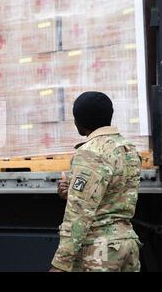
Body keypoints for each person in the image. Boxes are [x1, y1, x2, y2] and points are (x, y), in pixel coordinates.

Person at [50, 91, 142, 272]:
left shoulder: (90, 152)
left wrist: (60, 263)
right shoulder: (128, 149)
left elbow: (78, 213)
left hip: (99, 252)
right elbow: (114, 194)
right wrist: (71, 193)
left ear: (79, 121)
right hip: (127, 246)